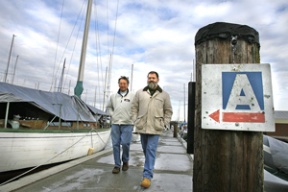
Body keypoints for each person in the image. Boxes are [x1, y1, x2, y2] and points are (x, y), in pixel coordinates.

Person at [131, 71, 173, 188]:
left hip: (156, 127)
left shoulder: (164, 95)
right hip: (142, 126)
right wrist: (135, 120)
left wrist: (164, 123)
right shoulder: (140, 93)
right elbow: (134, 107)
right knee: (146, 150)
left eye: (153, 78)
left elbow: (168, 111)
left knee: (150, 149)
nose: (151, 80)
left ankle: (147, 176)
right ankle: (149, 166)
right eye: (149, 78)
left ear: (158, 79)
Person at [106, 76, 134, 174]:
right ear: (119, 84)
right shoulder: (113, 96)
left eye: (124, 83)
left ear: (127, 84)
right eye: (121, 83)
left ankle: (125, 160)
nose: (122, 85)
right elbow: (109, 107)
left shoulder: (132, 96)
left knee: (126, 143)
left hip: (128, 124)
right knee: (115, 145)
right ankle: (117, 165)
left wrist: (132, 118)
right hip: (115, 124)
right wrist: (113, 115)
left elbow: (136, 108)